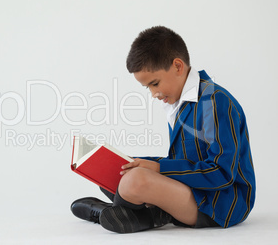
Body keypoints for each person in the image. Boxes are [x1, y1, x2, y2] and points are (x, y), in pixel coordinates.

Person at [70, 26, 256, 233]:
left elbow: (222, 173)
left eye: (155, 83)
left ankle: (125, 211)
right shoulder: (178, 102)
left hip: (221, 202)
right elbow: (185, 162)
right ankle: (143, 214)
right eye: (147, 87)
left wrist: (157, 169)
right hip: (191, 190)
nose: (153, 94)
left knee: (134, 180)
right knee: (118, 170)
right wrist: (138, 162)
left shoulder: (214, 102)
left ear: (178, 66)